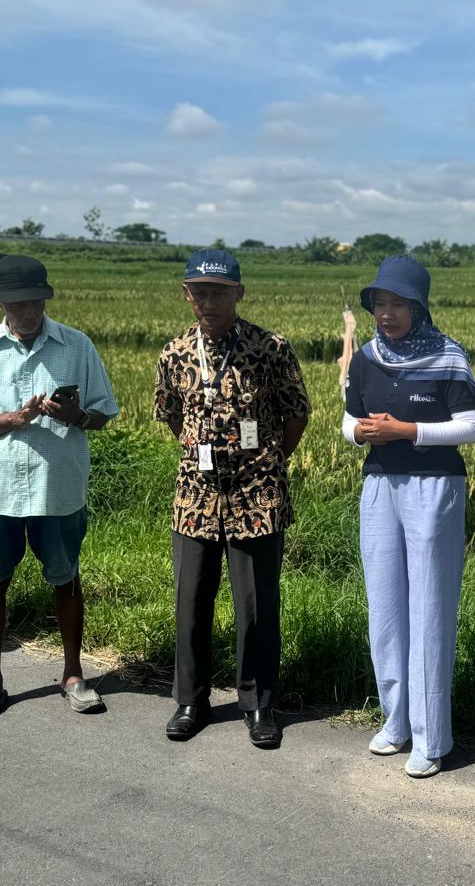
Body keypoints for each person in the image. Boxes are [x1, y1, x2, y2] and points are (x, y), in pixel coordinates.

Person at [0, 255, 119, 724]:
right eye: (19, 303)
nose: (29, 310)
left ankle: (74, 675)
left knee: (65, 577)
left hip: (56, 488)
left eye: (37, 301)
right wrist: (16, 419)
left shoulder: (76, 345)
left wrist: (75, 416)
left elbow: (103, 412)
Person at [155, 249, 311, 747]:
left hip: (257, 496)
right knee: (191, 599)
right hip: (195, 496)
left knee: (257, 605)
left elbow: (295, 415)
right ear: (186, 294)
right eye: (199, 291)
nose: (208, 301)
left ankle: (259, 703)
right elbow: (173, 416)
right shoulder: (175, 352)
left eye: (219, 291)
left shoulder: (271, 348)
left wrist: (261, 461)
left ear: (240, 293)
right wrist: (207, 457)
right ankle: (190, 700)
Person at [341, 256, 475, 779]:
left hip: (434, 487)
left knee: (428, 608)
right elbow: (349, 419)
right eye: (380, 303)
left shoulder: (449, 356)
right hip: (379, 485)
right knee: (384, 606)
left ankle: (431, 736)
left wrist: (408, 431)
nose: (387, 314)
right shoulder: (367, 358)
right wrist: (360, 434)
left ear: (419, 307)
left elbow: (470, 427)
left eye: (398, 304)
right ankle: (395, 720)